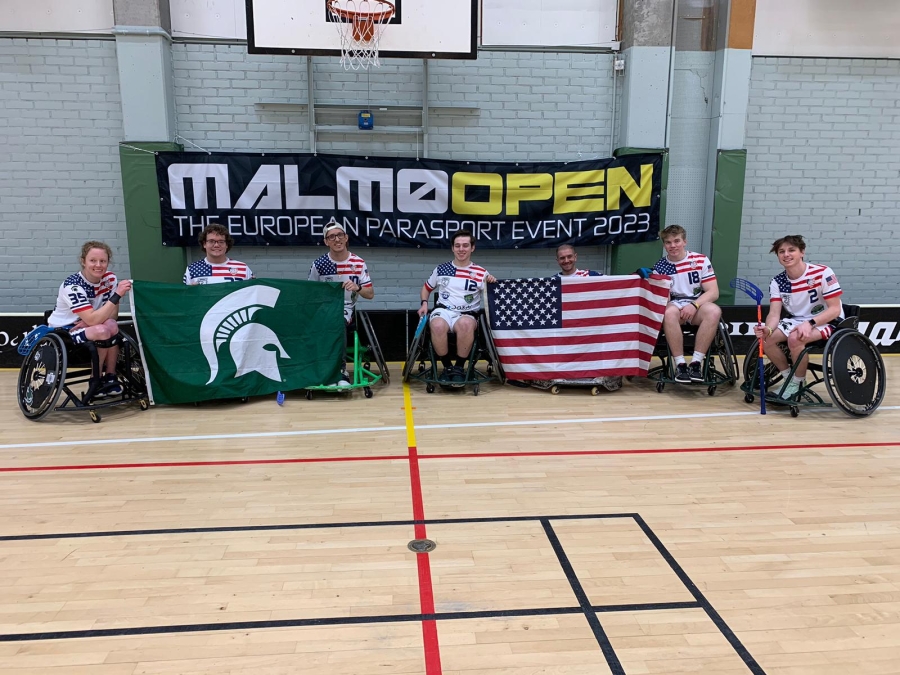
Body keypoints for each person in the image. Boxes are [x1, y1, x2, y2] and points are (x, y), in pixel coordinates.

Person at [753, 234, 844, 400]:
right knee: (766, 339)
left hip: (827, 320)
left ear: (802, 252)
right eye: (781, 251)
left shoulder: (822, 272)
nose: (786, 254)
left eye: (791, 250)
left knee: (795, 338)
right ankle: (789, 377)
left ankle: (797, 383)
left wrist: (810, 324)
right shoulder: (778, 281)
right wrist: (768, 328)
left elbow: (835, 310)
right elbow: (774, 313)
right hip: (797, 320)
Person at [47, 241, 133, 396]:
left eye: (103, 261)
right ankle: (96, 380)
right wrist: (117, 294)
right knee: (101, 330)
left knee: (112, 325)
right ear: (83, 261)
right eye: (93, 260)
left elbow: (113, 315)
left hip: (91, 324)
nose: (98, 265)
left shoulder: (110, 279)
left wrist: (89, 320)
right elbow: (95, 321)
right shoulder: (72, 286)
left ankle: (111, 377)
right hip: (65, 331)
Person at [417, 230, 497, 383]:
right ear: (452, 248)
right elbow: (426, 288)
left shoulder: (481, 273)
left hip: (468, 314)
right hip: (444, 310)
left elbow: (491, 294)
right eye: (458, 246)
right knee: (437, 325)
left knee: (465, 324)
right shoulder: (442, 269)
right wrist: (424, 304)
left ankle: (459, 368)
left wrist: (491, 281)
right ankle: (447, 367)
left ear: (472, 248)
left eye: (465, 245)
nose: (461, 249)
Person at [308, 219, 375, 386]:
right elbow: (310, 292)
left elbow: (370, 294)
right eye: (331, 237)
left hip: (345, 308)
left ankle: (340, 371)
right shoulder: (319, 264)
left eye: (339, 235)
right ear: (326, 242)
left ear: (346, 238)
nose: (336, 240)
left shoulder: (358, 263)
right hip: (324, 308)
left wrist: (357, 288)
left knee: (335, 323)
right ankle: (320, 370)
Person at [652, 225, 722, 383]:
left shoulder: (700, 260)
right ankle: (680, 365)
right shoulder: (660, 266)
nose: (673, 245)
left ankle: (696, 363)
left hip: (697, 304)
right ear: (664, 245)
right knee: (668, 312)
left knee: (714, 311)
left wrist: (694, 306)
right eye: (668, 242)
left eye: (676, 241)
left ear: (684, 241)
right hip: (676, 306)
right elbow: (665, 299)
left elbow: (713, 292)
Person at [183, 224, 254, 284]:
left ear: (227, 244)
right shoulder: (192, 269)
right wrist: (190, 292)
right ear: (204, 244)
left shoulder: (243, 268)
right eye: (211, 241)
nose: (216, 245)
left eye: (221, 241)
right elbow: (184, 298)